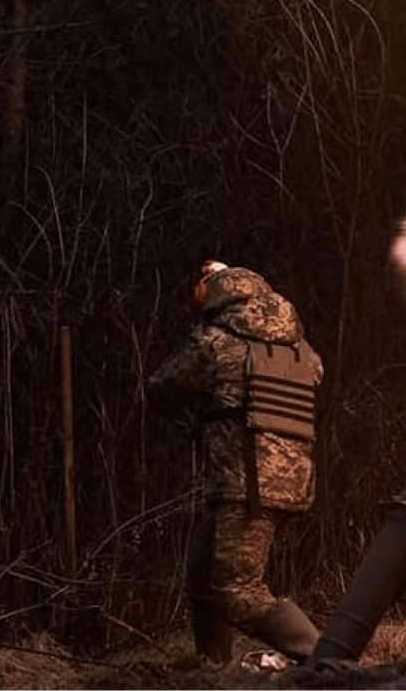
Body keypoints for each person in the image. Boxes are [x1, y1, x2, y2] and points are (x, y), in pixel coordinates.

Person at [148, 260, 324, 664]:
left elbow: (161, 389)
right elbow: (315, 377)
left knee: (238, 590)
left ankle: (328, 662)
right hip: (290, 478)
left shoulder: (215, 342)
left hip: (244, 482)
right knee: (202, 574)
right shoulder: (302, 349)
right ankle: (213, 671)